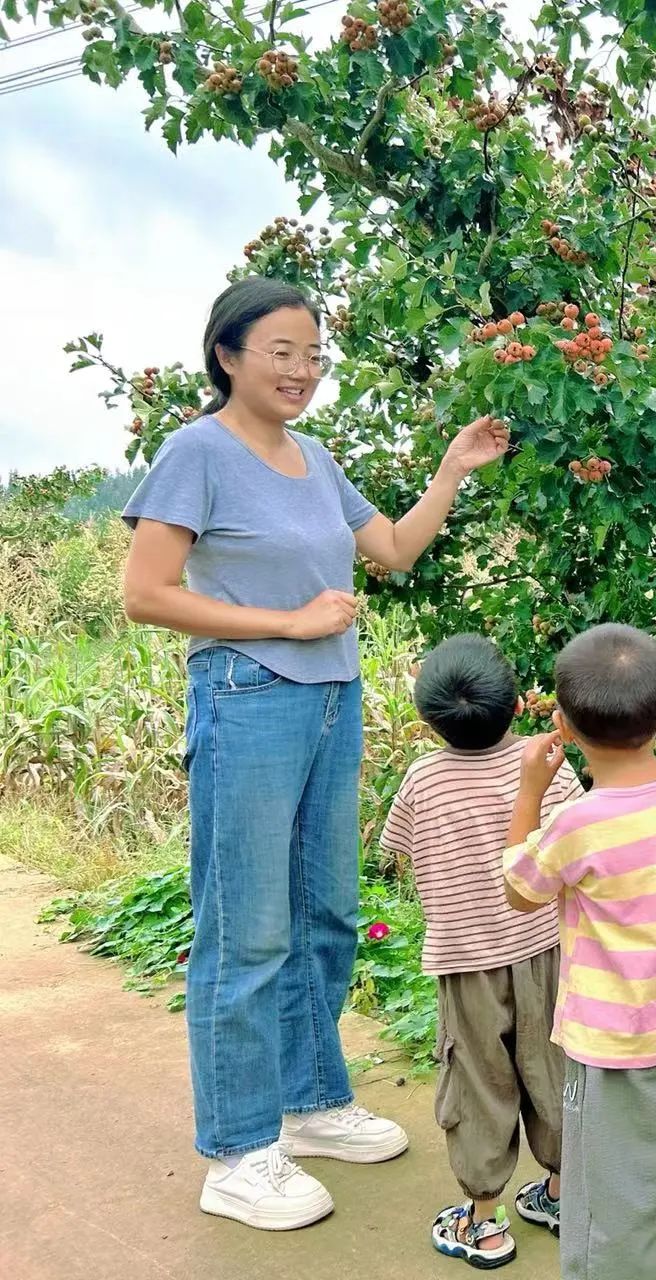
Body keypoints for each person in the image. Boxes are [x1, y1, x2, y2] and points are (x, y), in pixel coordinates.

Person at [121, 277, 511, 1230]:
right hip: (247, 697)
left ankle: (308, 1104)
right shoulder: (195, 452)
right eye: (281, 352)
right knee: (246, 929)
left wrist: (452, 470)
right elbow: (147, 593)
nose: (301, 370)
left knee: (326, 915)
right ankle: (237, 1149)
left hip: (331, 699)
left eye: (312, 354)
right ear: (228, 355)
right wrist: (288, 623)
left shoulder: (316, 457)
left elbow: (395, 551)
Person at [502, 623, 656, 1280]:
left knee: (610, 1215)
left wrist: (529, 792)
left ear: (564, 725)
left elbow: (521, 890)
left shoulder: (578, 824)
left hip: (616, 1052)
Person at [378, 634, 583, 1268]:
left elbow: (396, 853)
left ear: (428, 720)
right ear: (518, 703)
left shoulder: (422, 779)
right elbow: (576, 843)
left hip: (465, 960)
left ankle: (486, 1224)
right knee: (553, 1072)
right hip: (547, 951)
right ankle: (561, 1191)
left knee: (477, 1082)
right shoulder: (544, 764)